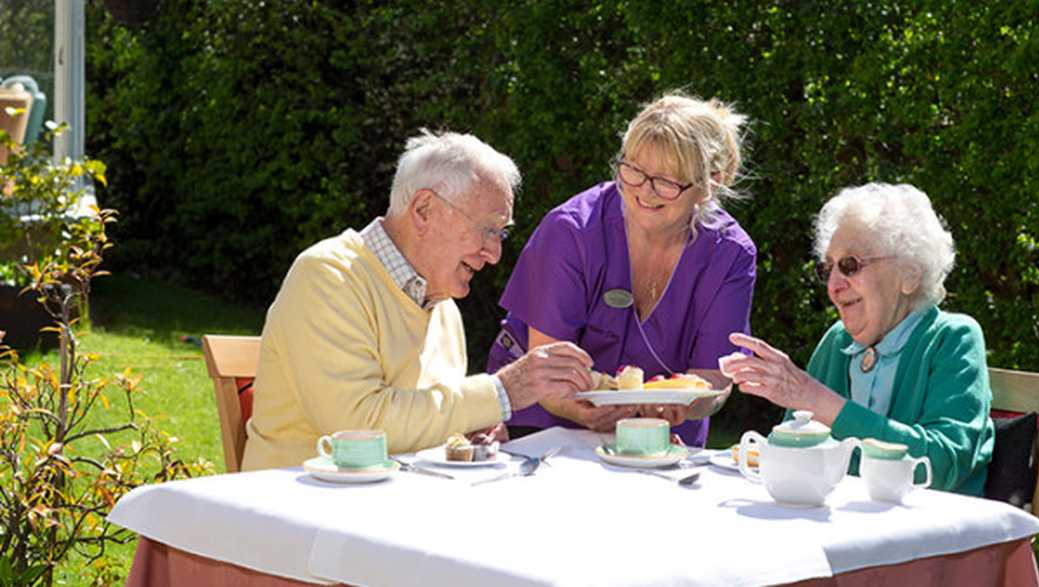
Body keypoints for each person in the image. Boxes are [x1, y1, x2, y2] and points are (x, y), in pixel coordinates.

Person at [241, 130, 594, 471]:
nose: (495, 253)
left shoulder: (443, 308)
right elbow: (357, 427)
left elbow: (425, 421)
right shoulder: (328, 276)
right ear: (424, 209)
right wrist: (500, 393)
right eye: (487, 229)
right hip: (297, 510)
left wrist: (470, 431)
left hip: (392, 506)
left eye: (500, 233)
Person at [486, 92, 757, 447]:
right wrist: (583, 411)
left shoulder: (731, 254)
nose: (644, 191)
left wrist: (684, 406)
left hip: (660, 443)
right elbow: (546, 367)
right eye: (633, 171)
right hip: (542, 428)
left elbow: (714, 380)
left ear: (711, 183)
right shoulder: (571, 231)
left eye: (667, 181)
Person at [724, 183, 994, 495]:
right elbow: (795, 452)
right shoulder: (836, 343)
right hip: (846, 530)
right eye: (828, 269)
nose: (834, 286)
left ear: (910, 274)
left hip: (935, 536)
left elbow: (941, 466)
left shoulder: (952, 338)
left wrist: (815, 398)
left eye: (850, 265)